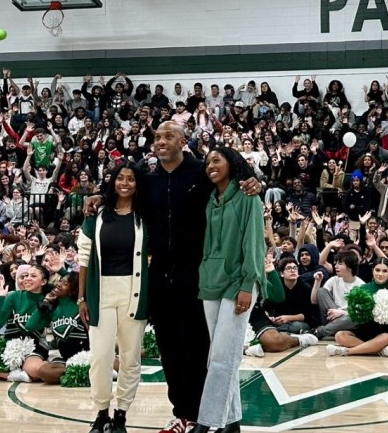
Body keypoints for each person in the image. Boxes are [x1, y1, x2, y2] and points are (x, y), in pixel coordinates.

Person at [83, 121, 261, 433]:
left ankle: (203, 415)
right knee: (169, 348)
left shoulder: (200, 173)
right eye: (157, 137)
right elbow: (121, 187)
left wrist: (253, 179)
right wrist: (97, 196)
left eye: (169, 136)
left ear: (183, 141)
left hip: (198, 274)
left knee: (199, 349)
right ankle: (183, 413)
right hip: (159, 275)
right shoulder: (148, 180)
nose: (161, 141)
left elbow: (230, 177)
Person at [189, 148, 266, 433]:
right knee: (223, 355)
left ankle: (205, 422)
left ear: (232, 163)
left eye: (216, 160)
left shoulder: (249, 196)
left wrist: (249, 284)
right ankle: (232, 422)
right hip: (211, 281)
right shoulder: (210, 200)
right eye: (207, 162)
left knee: (222, 357)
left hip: (239, 283)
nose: (210, 165)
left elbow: (255, 244)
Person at [77, 162, 150, 433]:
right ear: (112, 181)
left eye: (131, 179)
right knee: (100, 356)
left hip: (134, 291)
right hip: (101, 291)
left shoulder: (144, 216)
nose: (125, 183)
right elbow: (84, 258)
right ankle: (101, 413)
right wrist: (81, 298)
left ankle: (121, 415)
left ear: (137, 184)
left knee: (131, 358)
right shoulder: (95, 215)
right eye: (121, 178)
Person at [326, 257, 388, 357]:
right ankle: (377, 351)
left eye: (384, 271)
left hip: (381, 333)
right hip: (362, 332)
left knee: (387, 338)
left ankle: (347, 351)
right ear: (372, 270)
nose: (380, 274)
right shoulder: (363, 288)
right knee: (339, 335)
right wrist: (363, 312)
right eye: (377, 270)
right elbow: (353, 316)